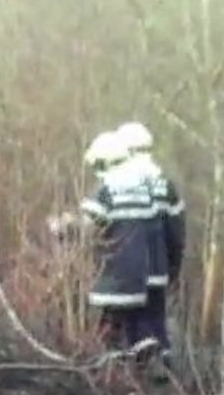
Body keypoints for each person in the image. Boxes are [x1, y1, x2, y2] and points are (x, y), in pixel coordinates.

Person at [78, 131, 159, 360]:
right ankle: (144, 362)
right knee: (135, 325)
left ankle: (111, 369)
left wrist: (64, 227)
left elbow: (88, 227)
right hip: (140, 274)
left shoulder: (106, 191)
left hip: (113, 274)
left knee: (109, 328)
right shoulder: (142, 190)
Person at [114, 121, 186, 367]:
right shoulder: (165, 185)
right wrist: (173, 266)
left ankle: (138, 368)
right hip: (159, 268)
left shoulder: (119, 185)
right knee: (156, 320)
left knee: (133, 325)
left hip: (126, 271)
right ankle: (163, 365)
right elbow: (176, 231)